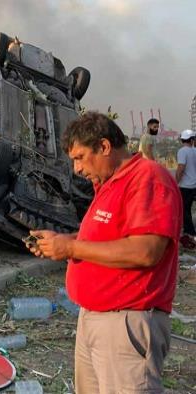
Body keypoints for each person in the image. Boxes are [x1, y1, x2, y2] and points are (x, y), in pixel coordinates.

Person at [27, 112, 181, 393]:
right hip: (96, 318)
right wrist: (63, 241)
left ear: (104, 146)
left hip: (126, 323)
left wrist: (72, 247)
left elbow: (146, 250)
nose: (76, 168)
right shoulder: (110, 183)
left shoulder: (147, 179)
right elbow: (104, 236)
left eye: (80, 157)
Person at [176, 129, 196, 248]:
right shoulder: (194, 151)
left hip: (185, 186)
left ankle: (190, 232)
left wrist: (175, 182)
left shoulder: (182, 151)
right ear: (192, 139)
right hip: (194, 184)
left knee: (185, 210)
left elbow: (181, 168)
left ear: (182, 139)